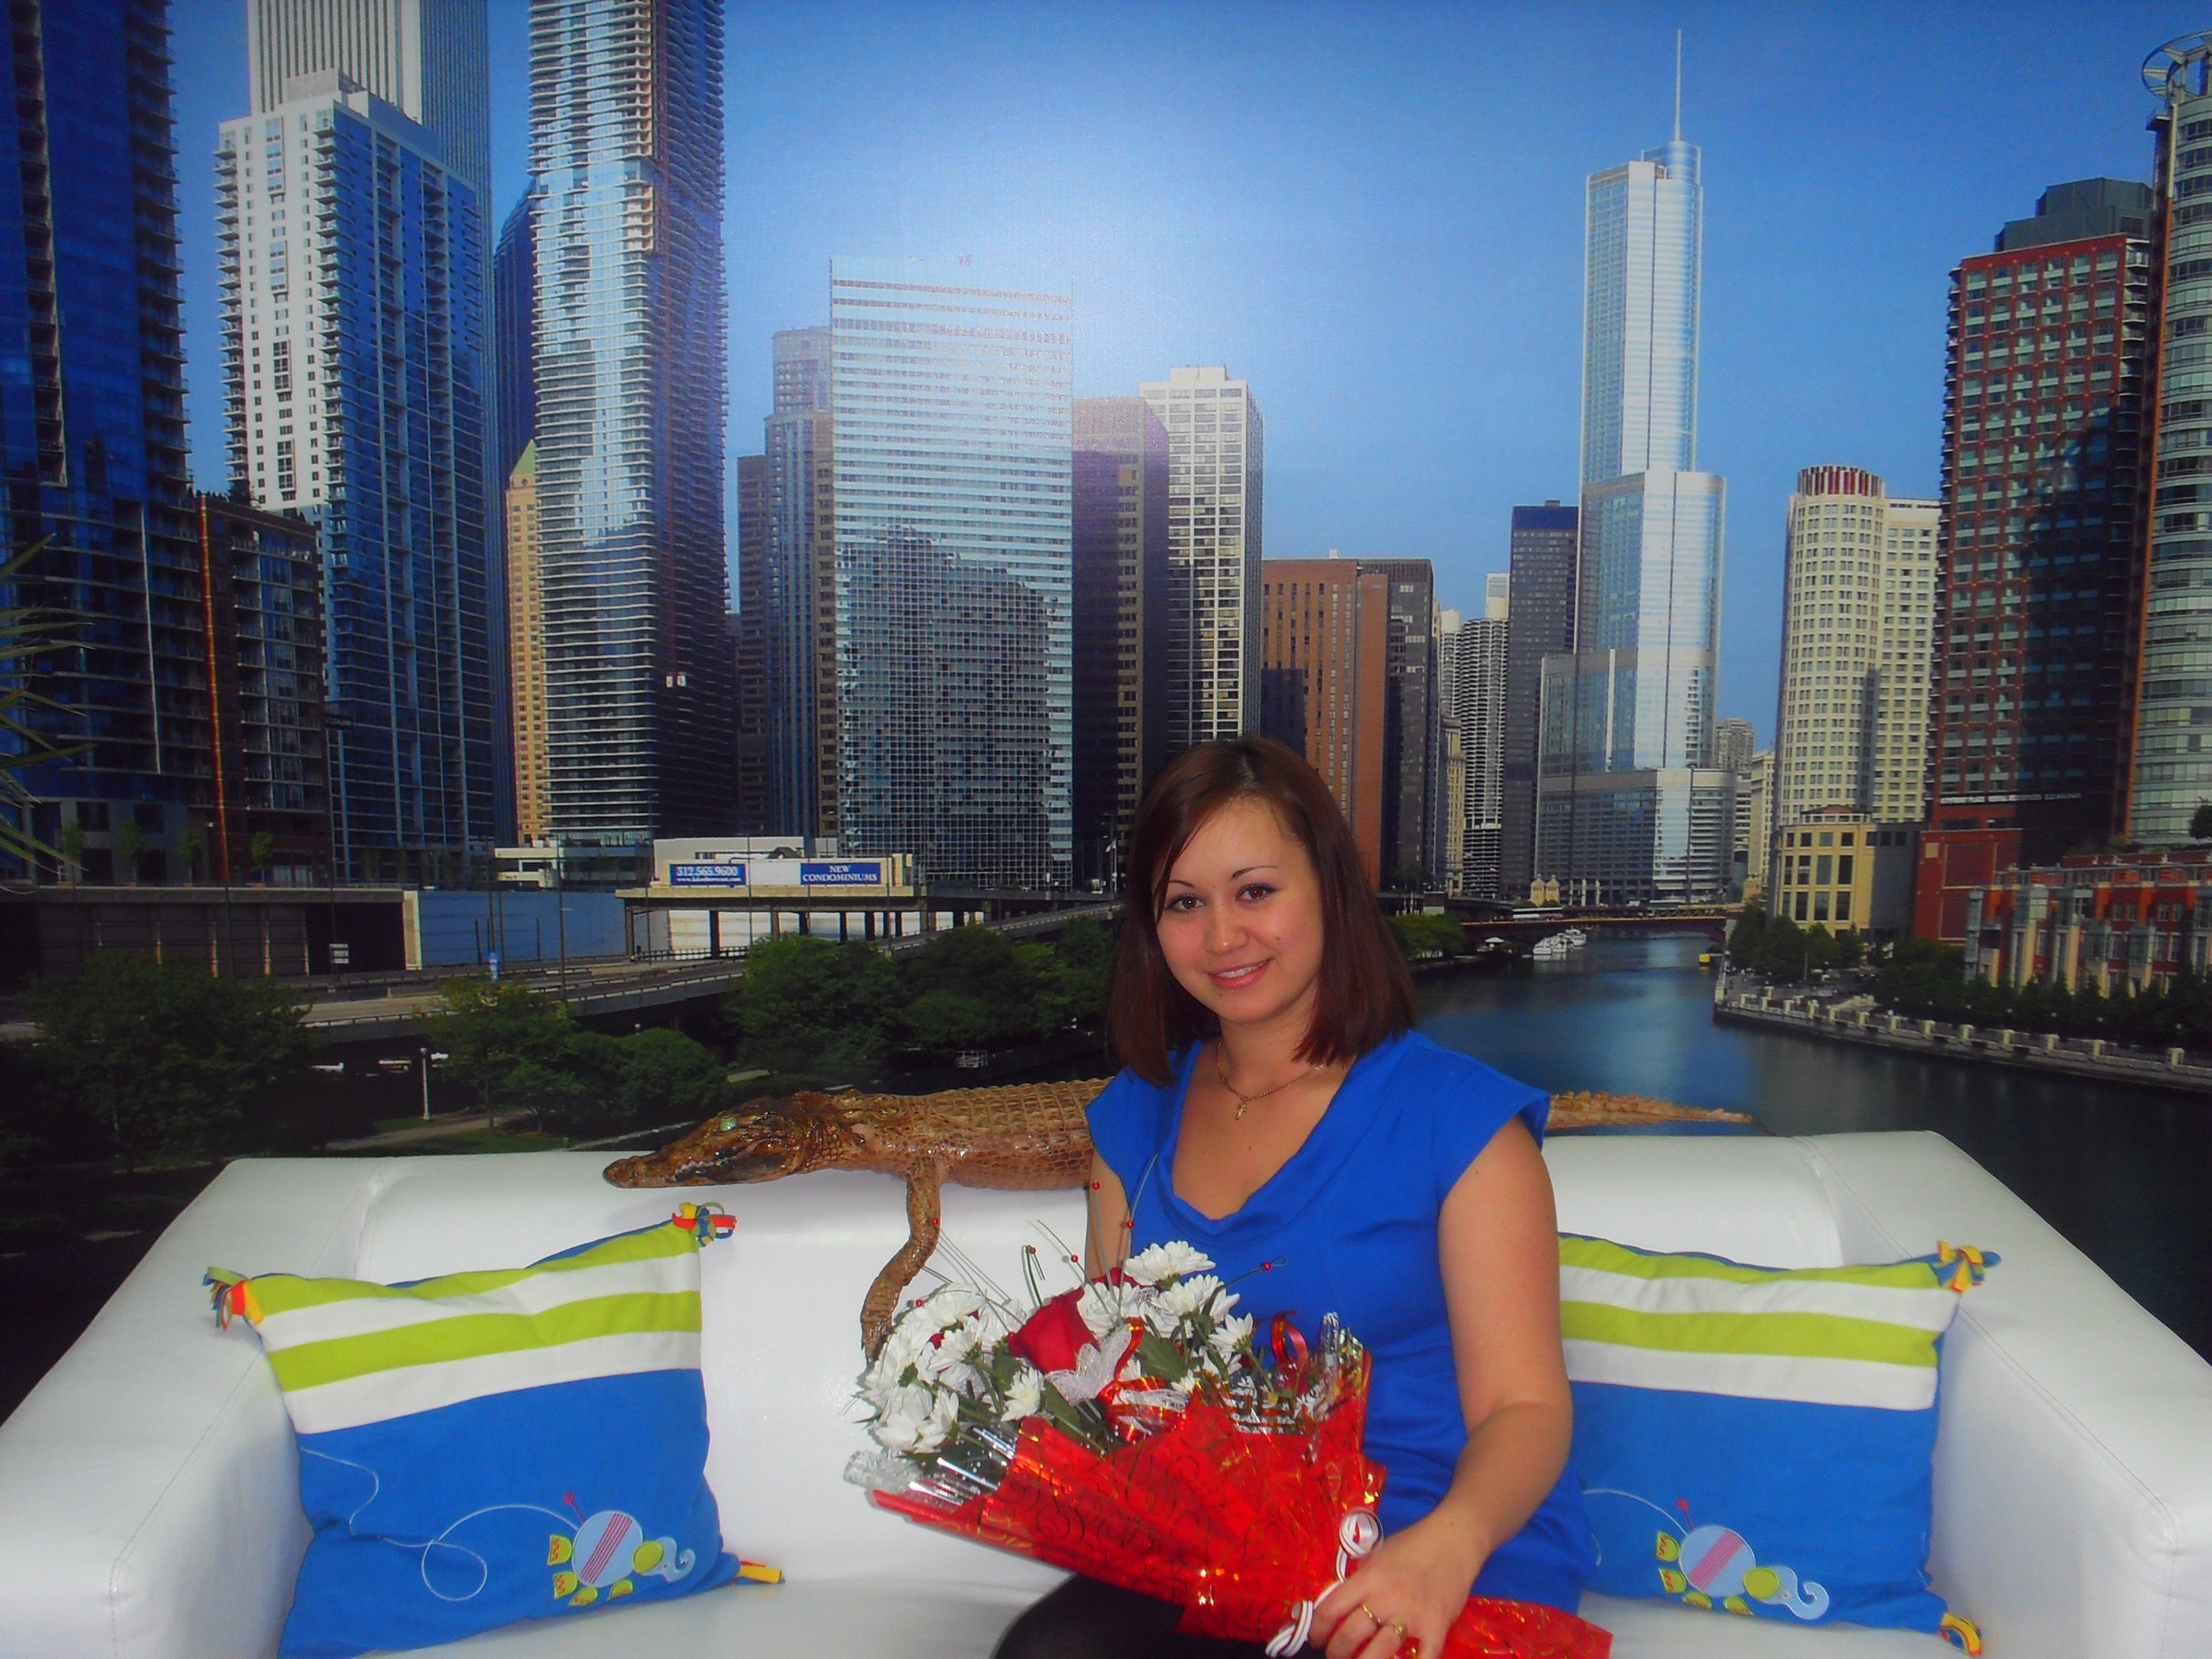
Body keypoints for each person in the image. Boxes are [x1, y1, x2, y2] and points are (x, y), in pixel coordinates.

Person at [994, 737, 1592, 1659]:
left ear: (1328, 889)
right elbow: (1118, 1372)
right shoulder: (1134, 1120)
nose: (1222, 937)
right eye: (1184, 903)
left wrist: (1449, 1545)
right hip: (1228, 1552)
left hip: (1436, 1550)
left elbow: (1526, 1409)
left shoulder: (1461, 1126)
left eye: (1255, 891)